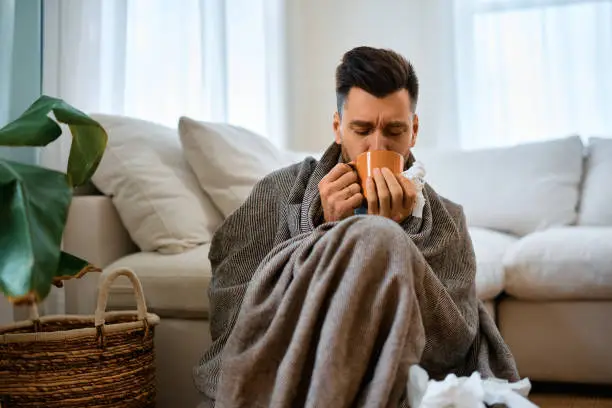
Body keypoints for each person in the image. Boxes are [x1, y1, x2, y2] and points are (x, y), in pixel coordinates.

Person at [194, 46, 519, 408]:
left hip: (398, 369)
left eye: (394, 130)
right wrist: (327, 233)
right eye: (361, 129)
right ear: (337, 127)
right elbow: (232, 310)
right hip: (298, 358)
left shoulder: (448, 222)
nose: (375, 145)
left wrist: (397, 240)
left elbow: (451, 347)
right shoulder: (277, 192)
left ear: (413, 131)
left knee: (380, 238)